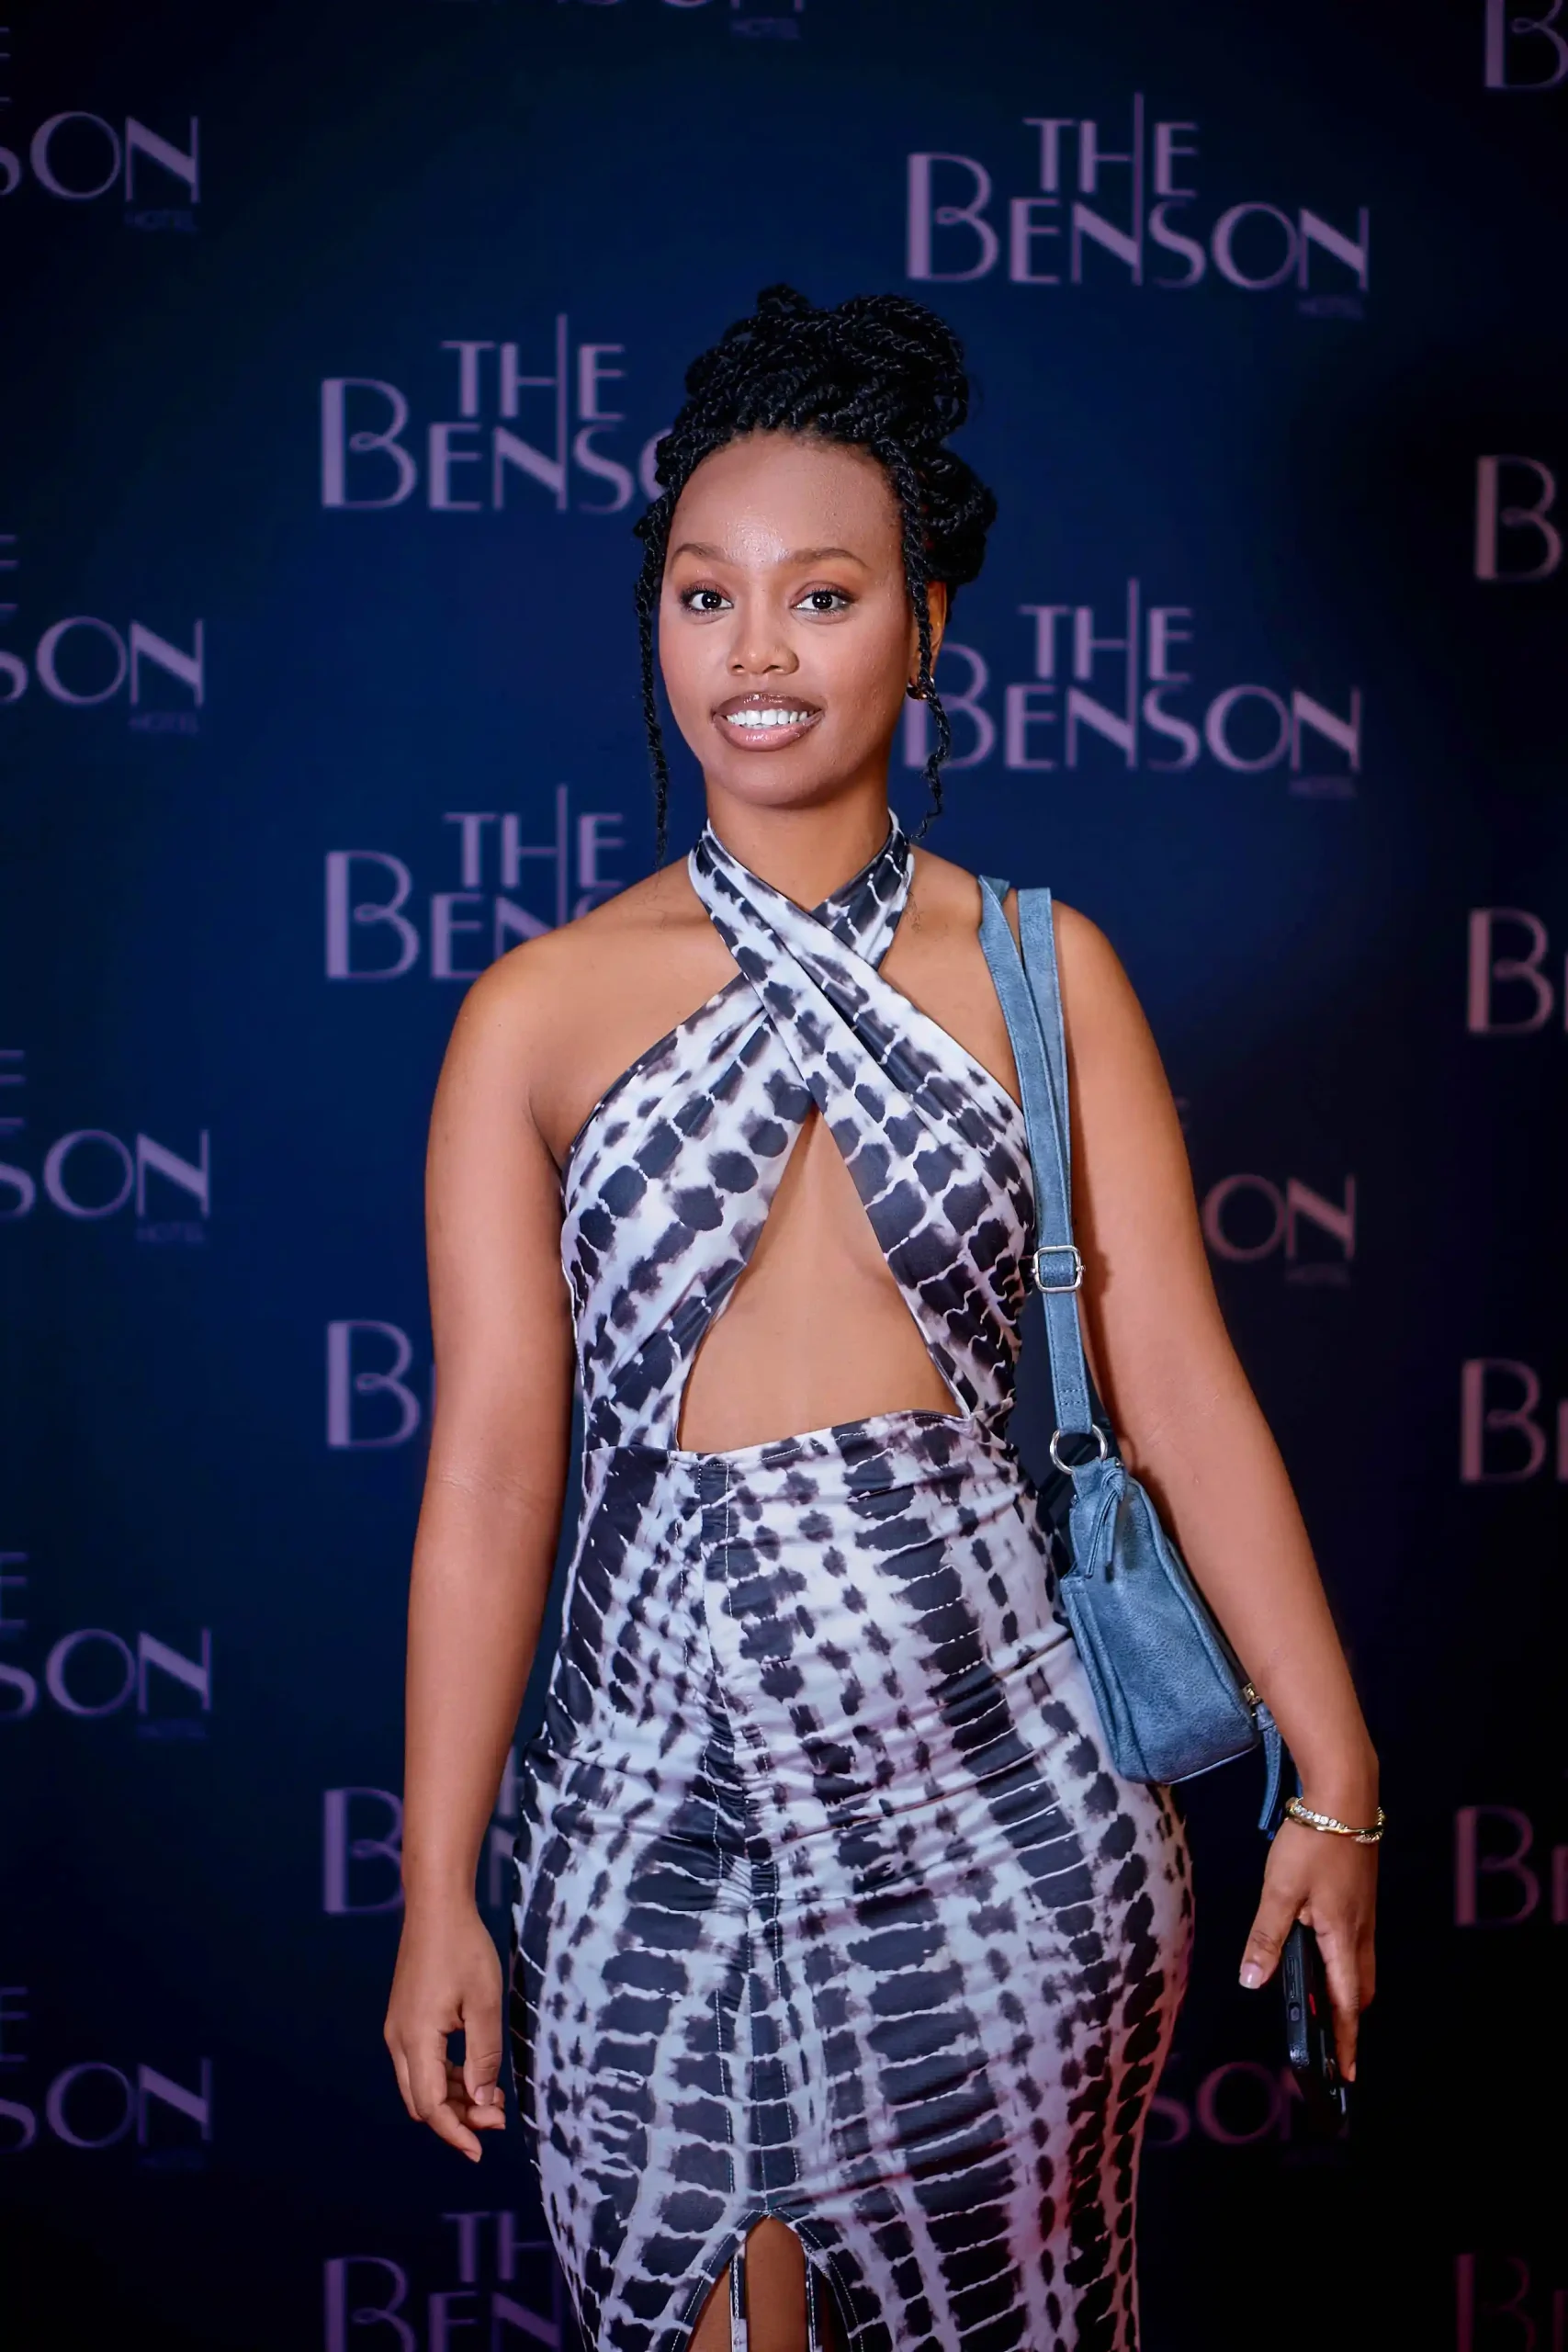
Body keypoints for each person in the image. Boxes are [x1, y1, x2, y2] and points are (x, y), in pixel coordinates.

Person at [383, 286, 1379, 2352]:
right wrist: (436, 1886)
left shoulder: (1042, 968)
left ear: (923, 629)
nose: (755, 652)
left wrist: (1334, 1768)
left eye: (820, 597)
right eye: (705, 597)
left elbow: (1180, 1391)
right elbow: (488, 1474)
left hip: (1001, 1804)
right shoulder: (533, 1015)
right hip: (645, 1815)